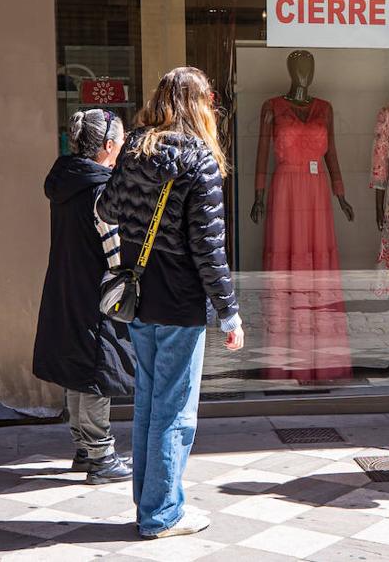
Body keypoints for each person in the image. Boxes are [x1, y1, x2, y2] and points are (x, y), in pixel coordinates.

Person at [99, 67, 244, 539]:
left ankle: (150, 504)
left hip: (139, 296)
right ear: (198, 105)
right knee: (175, 410)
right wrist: (229, 310)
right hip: (180, 300)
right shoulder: (198, 159)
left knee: (148, 402)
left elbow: (106, 209)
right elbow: (208, 246)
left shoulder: (137, 146)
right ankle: (162, 514)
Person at [33, 109, 134, 484]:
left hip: (65, 284)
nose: (123, 147)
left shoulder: (66, 182)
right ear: (108, 146)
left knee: (77, 369)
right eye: (121, 141)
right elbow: (116, 251)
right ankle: (100, 455)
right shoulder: (101, 189)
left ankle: (83, 447)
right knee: (96, 370)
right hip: (96, 290)